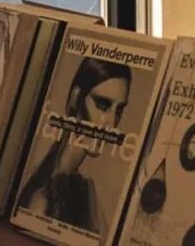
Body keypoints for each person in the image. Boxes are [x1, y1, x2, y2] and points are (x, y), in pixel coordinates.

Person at [17, 57, 132, 235]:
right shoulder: (41, 200)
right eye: (102, 105)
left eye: (119, 110)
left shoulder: (86, 191)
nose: (111, 123)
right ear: (76, 98)